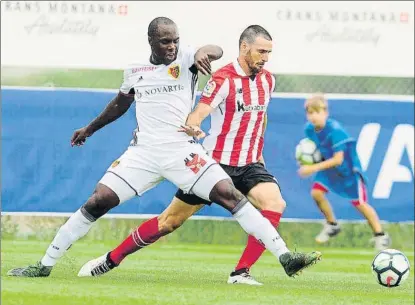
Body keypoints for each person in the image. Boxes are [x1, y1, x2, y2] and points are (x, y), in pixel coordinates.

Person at [7, 18, 321, 279]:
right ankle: (45, 265)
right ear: (151, 43)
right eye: (165, 42)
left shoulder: (188, 60)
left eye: (175, 41)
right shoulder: (135, 70)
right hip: (142, 154)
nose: (171, 47)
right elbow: (119, 104)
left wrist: (202, 51)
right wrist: (90, 129)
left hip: (183, 153)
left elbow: (216, 50)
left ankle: (284, 257)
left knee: (231, 195)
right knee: (99, 201)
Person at [297, 93, 391, 250]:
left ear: (325, 112)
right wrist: (307, 160)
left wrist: (312, 168)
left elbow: (338, 159)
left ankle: (380, 235)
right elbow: (314, 149)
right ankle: (332, 224)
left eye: (317, 112)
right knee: (316, 193)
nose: (313, 116)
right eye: (310, 113)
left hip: (348, 172)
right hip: (329, 171)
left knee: (359, 204)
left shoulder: (335, 131)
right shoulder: (309, 130)